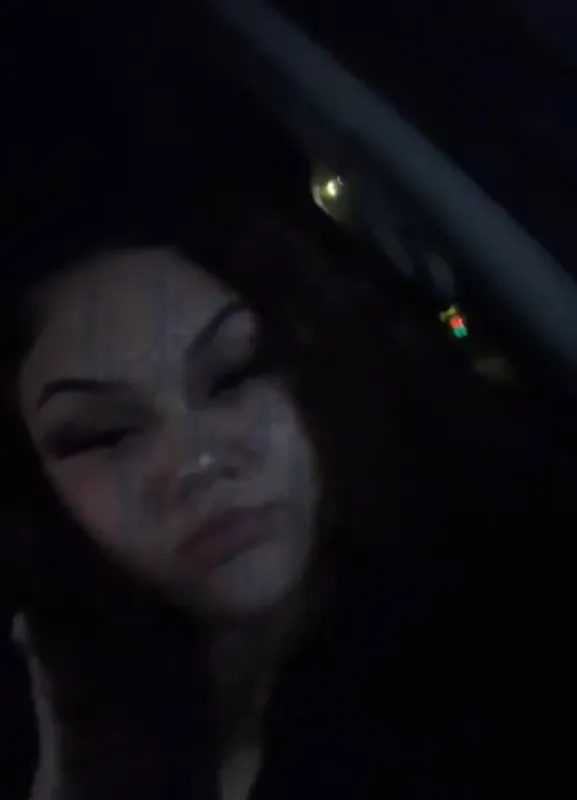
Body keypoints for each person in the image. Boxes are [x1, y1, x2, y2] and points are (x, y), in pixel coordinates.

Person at [0, 187, 556, 800]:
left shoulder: (501, 633)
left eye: (232, 376)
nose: (196, 462)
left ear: (308, 368)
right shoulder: (70, 713)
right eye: (104, 433)